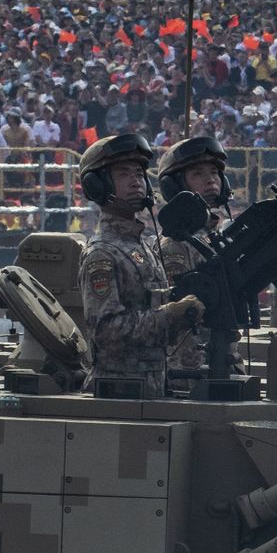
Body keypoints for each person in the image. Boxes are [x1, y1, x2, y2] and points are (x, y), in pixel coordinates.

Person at [76, 133, 204, 396]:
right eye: (123, 174)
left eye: (138, 174)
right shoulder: (101, 254)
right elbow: (106, 330)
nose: (136, 182)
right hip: (118, 394)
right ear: (98, 185)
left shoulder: (143, 245)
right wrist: (171, 315)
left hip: (152, 388)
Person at [153, 134, 233, 372]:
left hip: (218, 363)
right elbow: (179, 317)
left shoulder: (213, 237)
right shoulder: (175, 244)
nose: (210, 180)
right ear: (175, 186)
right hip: (189, 371)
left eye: (214, 173)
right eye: (198, 174)